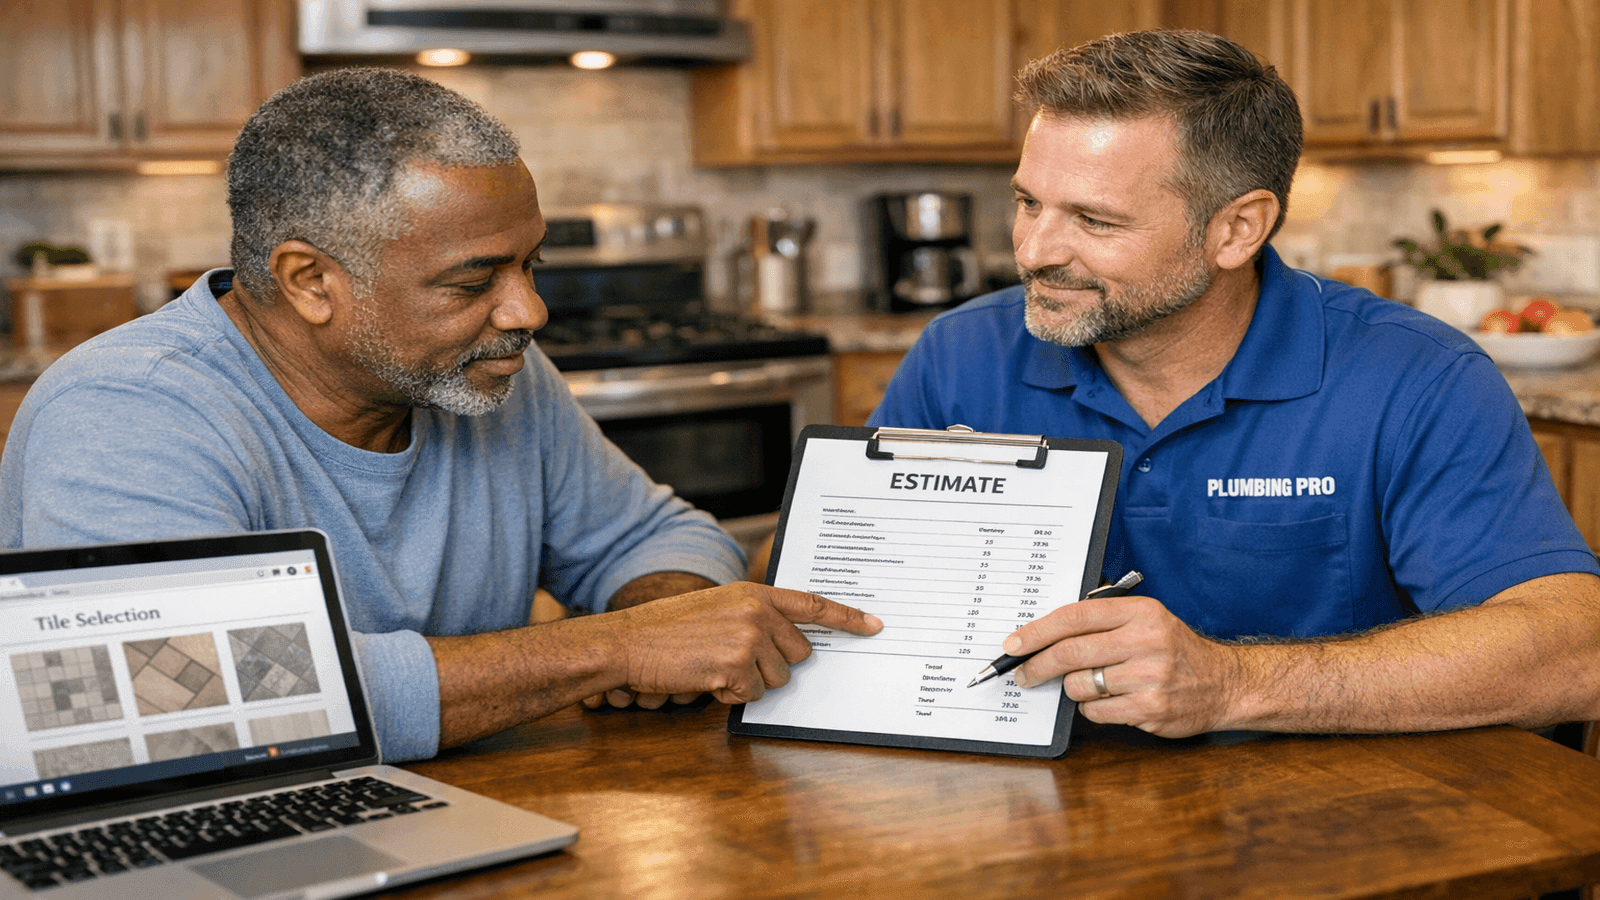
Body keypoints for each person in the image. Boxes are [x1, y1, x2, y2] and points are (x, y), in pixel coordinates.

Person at [0, 68, 880, 762]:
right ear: (311, 281)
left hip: (476, 802)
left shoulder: (489, 377)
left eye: (531, 266)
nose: (527, 312)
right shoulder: (125, 411)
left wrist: (671, 612)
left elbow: (646, 536)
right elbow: (186, 701)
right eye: (475, 280)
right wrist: (610, 650)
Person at [870, 30, 1600, 737]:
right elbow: (846, 572)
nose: (1032, 251)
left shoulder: (1418, 378)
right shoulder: (960, 352)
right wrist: (763, 604)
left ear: (1238, 230)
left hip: (1335, 826)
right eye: (1028, 201)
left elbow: (1576, 653)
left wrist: (1234, 685)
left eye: (1094, 220)